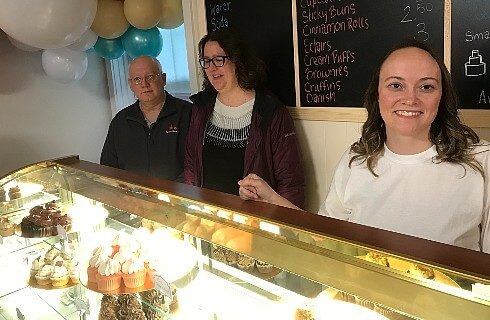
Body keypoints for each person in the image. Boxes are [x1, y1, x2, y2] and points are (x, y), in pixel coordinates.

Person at [239, 40, 490, 252]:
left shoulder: (481, 161)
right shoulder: (356, 159)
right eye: (396, 85)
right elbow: (325, 235)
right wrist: (272, 200)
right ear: (378, 94)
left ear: (441, 96)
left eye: (426, 86)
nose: (410, 98)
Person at [184, 29, 305, 208]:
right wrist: (191, 208)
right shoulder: (200, 107)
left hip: (253, 223)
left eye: (219, 59)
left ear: (237, 61)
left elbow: (290, 181)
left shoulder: (270, 111)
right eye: (206, 61)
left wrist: (284, 228)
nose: (212, 68)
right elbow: (191, 167)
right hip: (209, 219)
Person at [100, 55, 192, 182]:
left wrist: (169, 195)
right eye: (137, 79)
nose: (144, 84)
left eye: (150, 77)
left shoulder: (188, 114)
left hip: (177, 197)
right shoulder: (120, 121)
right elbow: (108, 167)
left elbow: (196, 166)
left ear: (163, 79)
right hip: (131, 198)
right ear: (131, 85)